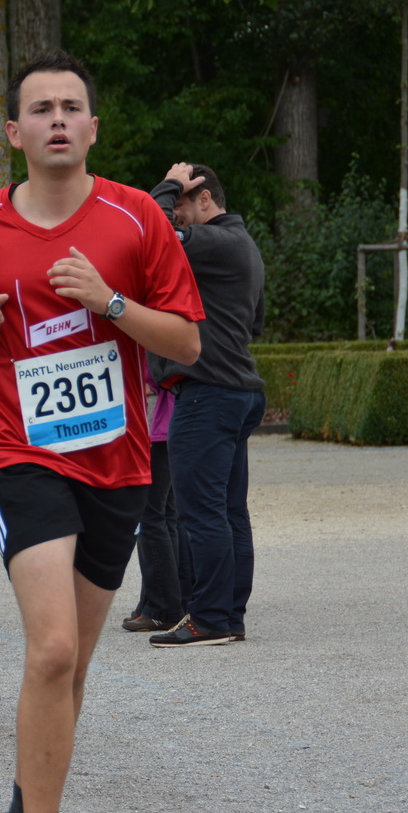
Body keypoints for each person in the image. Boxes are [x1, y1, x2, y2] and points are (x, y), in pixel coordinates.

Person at [0, 49, 203, 813]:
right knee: (50, 650)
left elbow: (186, 344)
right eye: (40, 109)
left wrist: (112, 303)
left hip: (115, 462)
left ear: (94, 125)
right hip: (14, 448)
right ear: (14, 132)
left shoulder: (137, 217)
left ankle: (18, 809)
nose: (58, 120)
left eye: (72, 106)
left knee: (71, 663)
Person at [144, 164, 266, 647]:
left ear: (206, 199)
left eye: (183, 203)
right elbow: (255, 325)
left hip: (209, 392)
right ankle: (227, 615)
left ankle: (211, 618)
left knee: (201, 512)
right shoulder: (245, 247)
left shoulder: (216, 242)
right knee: (230, 510)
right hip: (236, 389)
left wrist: (166, 184)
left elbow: (151, 235)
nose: (177, 212)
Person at [120, 373, 183, 632]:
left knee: (150, 516)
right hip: (166, 422)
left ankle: (162, 608)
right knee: (166, 515)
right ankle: (157, 603)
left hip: (154, 424)